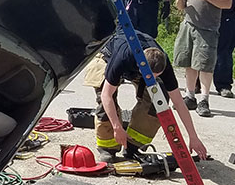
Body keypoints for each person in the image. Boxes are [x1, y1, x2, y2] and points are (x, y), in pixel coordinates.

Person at [82, 30, 208, 160]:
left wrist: (193, 137)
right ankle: (108, 148)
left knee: (158, 100)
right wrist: (117, 127)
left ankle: (133, 146)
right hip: (107, 58)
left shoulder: (163, 65)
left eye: (156, 76)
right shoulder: (123, 57)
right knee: (106, 103)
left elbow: (179, 103)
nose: (152, 79)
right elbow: (106, 95)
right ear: (140, 66)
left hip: (141, 68)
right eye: (150, 76)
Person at [174, 0, 233, 117]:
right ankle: (190, 95)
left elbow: (227, 3)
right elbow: (181, 7)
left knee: (205, 65)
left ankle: (204, 99)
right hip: (188, 25)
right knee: (189, 62)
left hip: (207, 29)